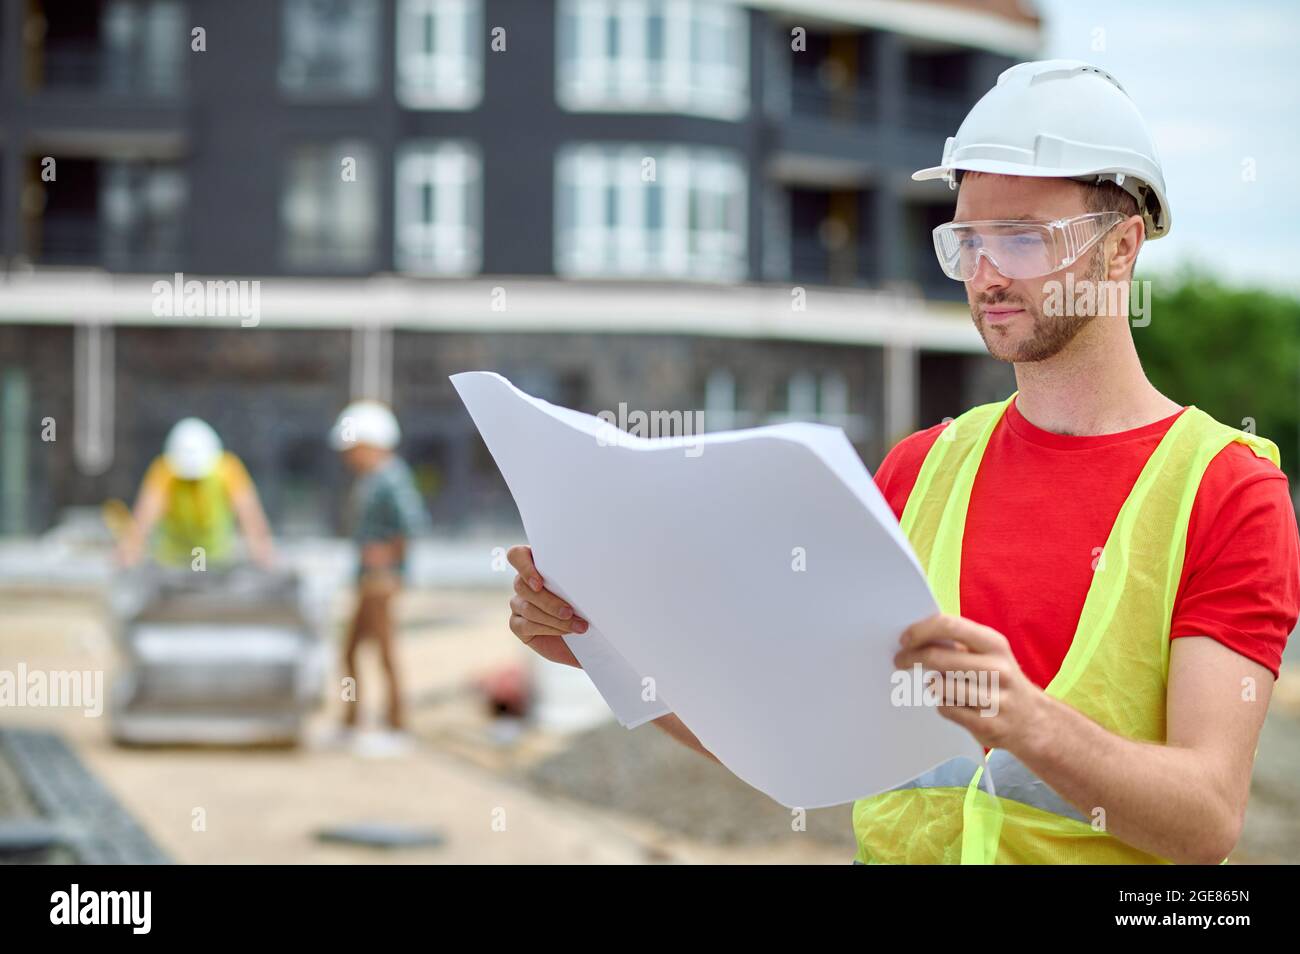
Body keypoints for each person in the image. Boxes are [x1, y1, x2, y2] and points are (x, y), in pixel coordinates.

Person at [500, 60, 1300, 864]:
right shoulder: (923, 469)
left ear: (1120, 249)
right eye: (967, 240)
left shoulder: (1228, 492)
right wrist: (594, 644)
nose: (985, 274)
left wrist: (1026, 721)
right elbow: (799, 738)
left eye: (1022, 238)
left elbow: (1205, 821)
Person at [329, 399, 429, 740]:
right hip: (370, 579)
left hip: (380, 580)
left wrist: (386, 557)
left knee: (379, 649)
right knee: (357, 649)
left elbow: (412, 525)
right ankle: (358, 717)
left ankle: (393, 720)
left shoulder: (391, 478)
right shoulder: (375, 478)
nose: (349, 456)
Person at [118, 417, 274, 569]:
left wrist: (262, 551)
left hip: (217, 559)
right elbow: (145, 516)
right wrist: (131, 550)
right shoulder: (164, 472)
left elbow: (249, 514)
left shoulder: (228, 470)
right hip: (173, 559)